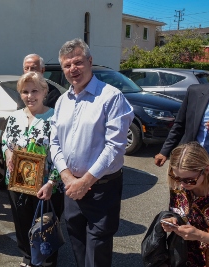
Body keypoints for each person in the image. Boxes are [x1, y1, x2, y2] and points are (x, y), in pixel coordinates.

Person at [50, 38, 134, 267]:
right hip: (71, 187)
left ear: (90, 61)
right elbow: (54, 142)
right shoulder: (61, 102)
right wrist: (67, 177)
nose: (72, 69)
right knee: (76, 240)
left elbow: (115, 146)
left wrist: (85, 181)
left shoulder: (111, 97)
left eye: (77, 62)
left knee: (97, 247)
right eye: (67, 65)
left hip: (101, 188)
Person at [1, 72, 64, 267]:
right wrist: (8, 153)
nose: (30, 96)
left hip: (47, 186)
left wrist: (52, 180)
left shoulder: (55, 117)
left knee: (45, 226)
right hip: (17, 182)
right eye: (25, 91)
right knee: (22, 224)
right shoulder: (14, 117)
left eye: (34, 90)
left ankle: (46, 261)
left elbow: (62, 151)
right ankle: (28, 257)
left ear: (45, 92)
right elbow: (5, 142)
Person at [154, 62, 209, 176]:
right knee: (188, 190)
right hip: (193, 158)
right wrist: (164, 151)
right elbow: (179, 125)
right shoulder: (195, 92)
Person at [161, 142, 209, 266]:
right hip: (182, 257)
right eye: (176, 177)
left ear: (206, 170)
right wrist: (172, 221)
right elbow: (177, 212)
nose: (182, 184)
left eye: (189, 180)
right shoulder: (177, 187)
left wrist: (200, 235)